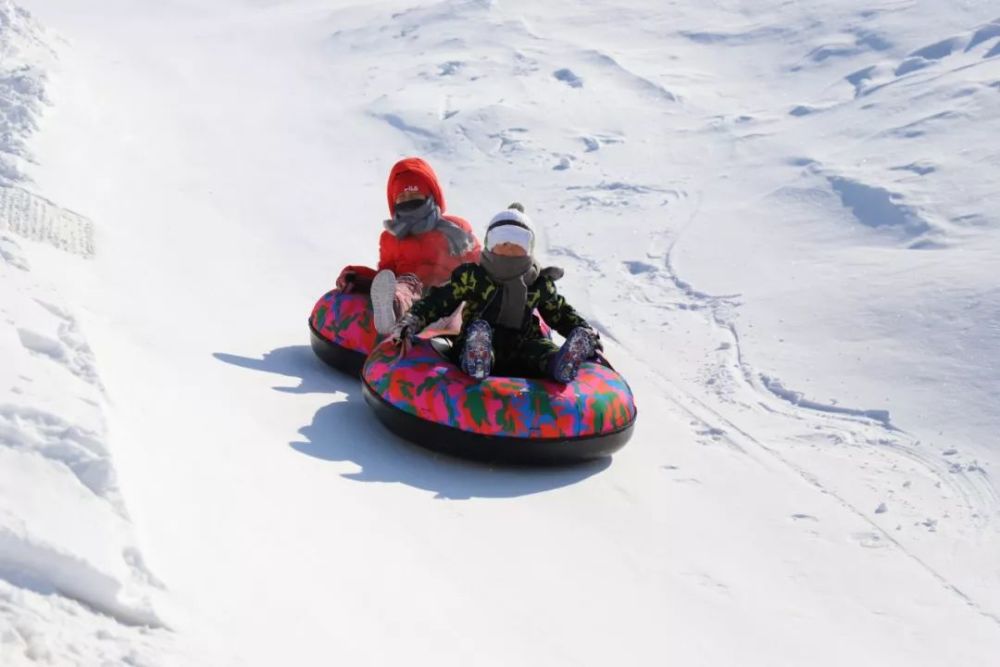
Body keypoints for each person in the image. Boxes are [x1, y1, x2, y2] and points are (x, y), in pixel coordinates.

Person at [388, 204, 602, 383]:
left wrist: (584, 331)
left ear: (529, 248)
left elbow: (560, 313)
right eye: (502, 242)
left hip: (523, 344)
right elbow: (439, 300)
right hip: (480, 337)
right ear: (490, 244)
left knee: (541, 349)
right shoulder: (474, 276)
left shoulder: (538, 283)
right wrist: (414, 319)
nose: (509, 248)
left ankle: (560, 364)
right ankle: (477, 360)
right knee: (474, 340)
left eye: (517, 243)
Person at [335, 157, 481, 334]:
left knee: (448, 296)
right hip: (410, 296)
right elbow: (386, 276)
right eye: (402, 197)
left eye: (414, 195)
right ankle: (392, 311)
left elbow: (478, 267)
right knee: (406, 284)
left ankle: (436, 330)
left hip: (447, 298)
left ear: (430, 195)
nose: (408, 200)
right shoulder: (391, 237)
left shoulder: (456, 229)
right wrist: (358, 276)